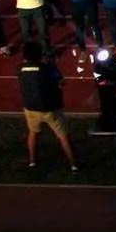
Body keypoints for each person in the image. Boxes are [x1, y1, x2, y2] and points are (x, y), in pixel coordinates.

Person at [17, 43, 79, 173]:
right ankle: (73, 164)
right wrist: (53, 65)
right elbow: (60, 81)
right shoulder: (47, 68)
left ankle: (32, 161)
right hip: (50, 108)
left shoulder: (20, 68)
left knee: (33, 133)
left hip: (31, 108)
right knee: (63, 136)